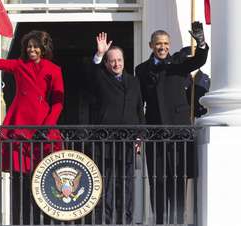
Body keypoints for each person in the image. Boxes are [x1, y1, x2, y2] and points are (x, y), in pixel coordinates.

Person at [0, 28, 64, 224]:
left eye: (35, 47)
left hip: (42, 123)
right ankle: (20, 220)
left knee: (42, 176)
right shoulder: (19, 65)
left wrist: (47, 127)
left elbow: (59, 102)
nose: (31, 50)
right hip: (19, 122)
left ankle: (42, 219)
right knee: (19, 178)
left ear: (43, 49)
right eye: (29, 47)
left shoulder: (54, 69)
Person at [135, 21, 209, 224]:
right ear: (151, 45)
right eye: (159, 44)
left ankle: (177, 220)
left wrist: (201, 42)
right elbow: (139, 102)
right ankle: (158, 220)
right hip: (155, 131)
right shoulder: (141, 70)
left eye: (166, 44)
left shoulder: (178, 63)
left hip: (178, 132)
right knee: (157, 181)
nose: (163, 47)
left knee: (178, 179)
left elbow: (199, 60)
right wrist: (140, 132)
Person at [89, 32, 145, 224]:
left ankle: (126, 221)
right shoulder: (101, 78)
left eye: (119, 60)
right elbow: (92, 73)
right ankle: (105, 221)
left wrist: (140, 135)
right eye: (112, 61)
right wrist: (99, 54)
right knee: (107, 185)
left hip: (129, 140)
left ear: (123, 61)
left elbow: (139, 110)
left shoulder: (134, 81)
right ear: (106, 63)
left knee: (127, 185)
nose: (116, 64)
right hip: (107, 141)